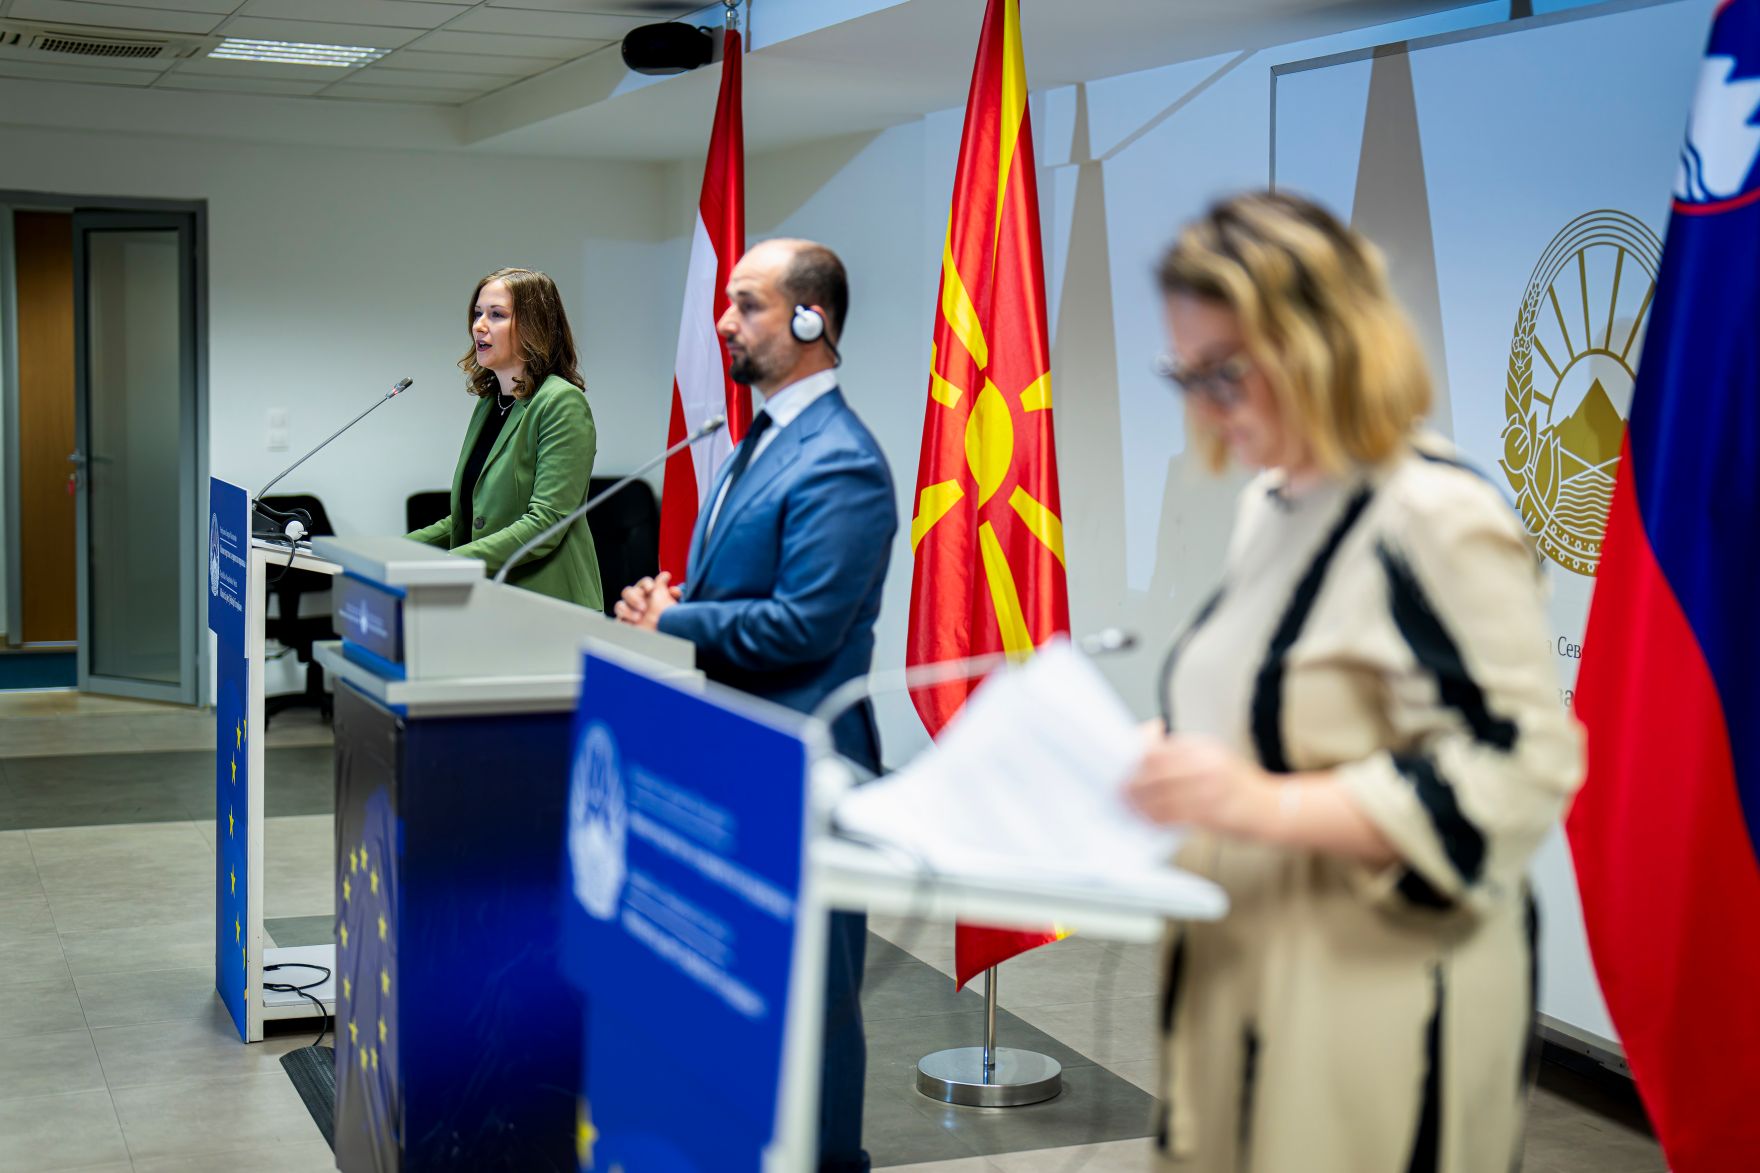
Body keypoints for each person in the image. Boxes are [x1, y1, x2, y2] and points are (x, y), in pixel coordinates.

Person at [1125, 192, 1583, 1173]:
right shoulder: (1273, 503)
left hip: (1376, 995)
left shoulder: (1434, 517)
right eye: (1185, 374)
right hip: (1245, 965)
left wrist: (1259, 803)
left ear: (1325, 344)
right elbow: (1281, 711)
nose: (1206, 406)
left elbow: (1523, 767)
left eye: (1228, 372)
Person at [616, 238, 895, 1173]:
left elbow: (805, 626)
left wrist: (677, 617)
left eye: (749, 305)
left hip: (804, 759)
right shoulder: (755, 438)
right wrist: (677, 607)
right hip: (733, 745)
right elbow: (740, 588)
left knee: (813, 1000)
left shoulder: (842, 459)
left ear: (812, 320)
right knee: (742, 993)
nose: (724, 322)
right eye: (728, 302)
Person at [409, 267, 603, 611]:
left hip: (549, 605)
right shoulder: (490, 403)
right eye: (477, 313)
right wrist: (388, 552)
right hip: (491, 600)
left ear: (533, 327)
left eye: (497, 315)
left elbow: (546, 523)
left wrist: (447, 565)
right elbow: (466, 519)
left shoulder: (560, 402)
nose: (479, 325)